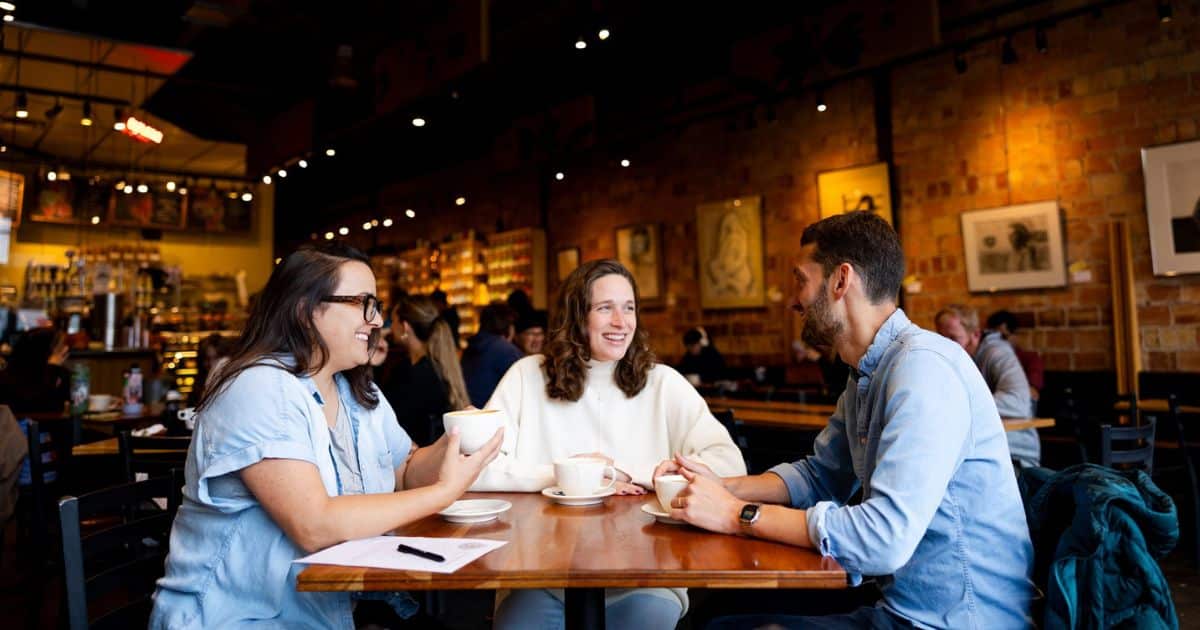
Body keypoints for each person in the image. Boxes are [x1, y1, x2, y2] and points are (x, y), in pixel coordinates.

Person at [656, 212, 1034, 628]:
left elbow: (882, 538)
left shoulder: (924, 370)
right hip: (895, 605)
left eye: (800, 280)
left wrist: (735, 514)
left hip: (952, 621)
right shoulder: (866, 373)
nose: (793, 300)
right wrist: (716, 486)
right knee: (714, 611)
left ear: (840, 280)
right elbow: (820, 475)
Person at [150, 243, 503, 629]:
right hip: (242, 618)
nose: (376, 321)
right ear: (305, 310)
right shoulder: (260, 387)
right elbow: (314, 526)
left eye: (377, 306)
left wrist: (456, 439)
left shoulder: (355, 391)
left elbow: (404, 470)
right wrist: (443, 493)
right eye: (362, 303)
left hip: (329, 613)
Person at [475, 259, 747, 630]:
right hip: (537, 577)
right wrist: (577, 476)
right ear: (577, 316)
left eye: (629, 307)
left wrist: (626, 473)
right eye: (605, 308)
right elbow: (479, 466)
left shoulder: (663, 383)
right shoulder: (526, 376)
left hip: (647, 578)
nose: (622, 322)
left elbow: (730, 465)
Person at [936, 304, 1040, 468]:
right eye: (941, 340)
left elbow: (1018, 402)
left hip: (1014, 455)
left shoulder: (997, 353)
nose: (946, 347)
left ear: (975, 334)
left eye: (953, 339)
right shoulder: (952, 359)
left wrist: (958, 404)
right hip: (979, 449)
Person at [382, 295, 471, 446]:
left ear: (405, 327)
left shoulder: (410, 374)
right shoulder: (439, 366)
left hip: (415, 462)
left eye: (393, 321)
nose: (390, 328)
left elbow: (384, 421)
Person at [461, 302, 523, 408]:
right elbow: (523, 391)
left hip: (468, 412)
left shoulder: (470, 348)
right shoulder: (506, 351)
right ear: (509, 326)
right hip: (492, 417)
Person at [0, 326, 71, 414]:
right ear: (44, 351)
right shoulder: (8, 379)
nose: (66, 349)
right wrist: (52, 369)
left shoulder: (61, 373)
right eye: (60, 347)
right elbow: (39, 407)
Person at [986, 309, 1045, 411]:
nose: (998, 341)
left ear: (1015, 336)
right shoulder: (987, 356)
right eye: (993, 337)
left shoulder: (1030, 359)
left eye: (1003, 337)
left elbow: (1031, 393)